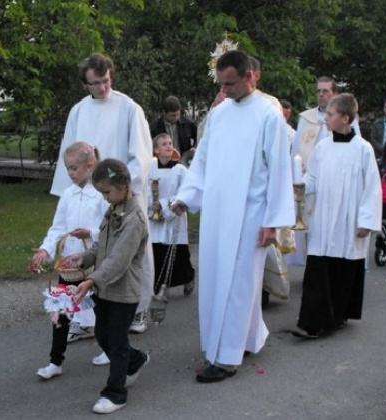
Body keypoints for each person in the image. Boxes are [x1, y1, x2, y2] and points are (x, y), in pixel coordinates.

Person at [170, 50, 294, 383]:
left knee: (239, 284)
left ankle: (226, 358)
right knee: (216, 279)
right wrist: (186, 196)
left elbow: (279, 170)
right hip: (217, 211)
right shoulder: (220, 115)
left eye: (231, 83)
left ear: (251, 76)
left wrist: (272, 221)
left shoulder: (270, 116)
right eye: (221, 84)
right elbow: (203, 161)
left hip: (250, 214)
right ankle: (250, 338)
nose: (225, 90)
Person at [50, 53, 154, 364]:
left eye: (107, 80)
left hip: (122, 191)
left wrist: (124, 188)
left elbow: (141, 153)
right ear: (85, 83)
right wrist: (69, 194)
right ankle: (86, 320)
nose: (103, 87)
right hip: (88, 192)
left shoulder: (128, 108)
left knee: (124, 250)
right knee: (90, 249)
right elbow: (67, 154)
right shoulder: (79, 111)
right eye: (96, 83)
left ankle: (136, 310)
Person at [292, 93, 382, 339]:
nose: (326, 119)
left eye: (330, 115)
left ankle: (337, 316)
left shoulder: (363, 149)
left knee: (343, 271)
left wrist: (366, 221)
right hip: (324, 217)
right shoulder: (322, 147)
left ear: (345, 118)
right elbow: (313, 177)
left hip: (348, 219)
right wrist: (302, 185)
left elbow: (373, 187)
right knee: (317, 268)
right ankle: (310, 322)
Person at [64, 159, 150, 414]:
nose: (104, 197)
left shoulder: (134, 219)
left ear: (124, 185)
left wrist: (92, 279)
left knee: (117, 341)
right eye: (101, 192)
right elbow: (101, 245)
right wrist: (85, 258)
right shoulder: (113, 209)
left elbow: (119, 259)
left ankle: (116, 392)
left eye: (107, 191)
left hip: (124, 291)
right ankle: (137, 360)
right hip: (104, 288)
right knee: (103, 335)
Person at [31, 142, 106, 380]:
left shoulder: (102, 195)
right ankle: (55, 361)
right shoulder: (68, 195)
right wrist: (45, 249)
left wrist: (91, 234)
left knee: (103, 309)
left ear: (90, 166)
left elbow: (109, 229)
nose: (71, 173)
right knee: (61, 310)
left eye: (74, 168)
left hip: (95, 263)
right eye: (68, 169)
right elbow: (58, 227)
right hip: (69, 263)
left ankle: (110, 348)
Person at [287, 76, 361, 266]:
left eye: (325, 91)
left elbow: (356, 152)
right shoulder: (306, 118)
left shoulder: (346, 119)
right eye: (318, 91)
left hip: (335, 183)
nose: (321, 94)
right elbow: (296, 150)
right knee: (310, 227)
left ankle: (329, 264)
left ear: (334, 93)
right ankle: (313, 265)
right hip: (309, 181)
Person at [148, 133, 195, 297]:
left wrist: (162, 206)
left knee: (179, 255)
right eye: (164, 144)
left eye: (170, 143)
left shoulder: (180, 170)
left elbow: (186, 192)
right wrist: (151, 206)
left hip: (174, 217)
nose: (169, 146)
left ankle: (189, 277)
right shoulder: (149, 169)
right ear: (156, 150)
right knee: (157, 253)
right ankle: (159, 285)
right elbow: (146, 192)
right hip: (154, 221)